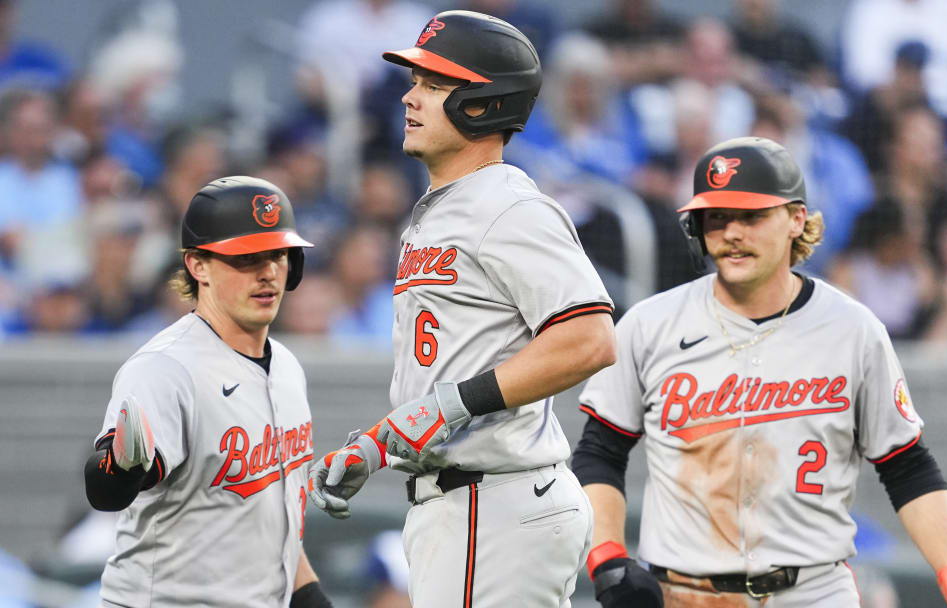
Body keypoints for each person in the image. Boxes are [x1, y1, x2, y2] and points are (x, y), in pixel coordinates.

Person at [570, 137, 947, 607]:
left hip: (813, 591)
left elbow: (907, 467)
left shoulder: (853, 330)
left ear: (796, 219)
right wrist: (607, 559)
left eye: (751, 216)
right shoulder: (651, 326)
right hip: (684, 593)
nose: (732, 232)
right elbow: (599, 452)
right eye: (717, 218)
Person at [307, 10, 616, 608]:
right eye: (415, 81)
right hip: (467, 505)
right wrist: (374, 446)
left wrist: (454, 404)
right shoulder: (445, 208)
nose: (410, 97)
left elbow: (590, 339)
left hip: (493, 503)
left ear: (482, 102)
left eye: (433, 84)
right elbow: (448, 374)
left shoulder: (508, 206)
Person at [81, 176, 333, 608]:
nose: (268, 271)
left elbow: (275, 523)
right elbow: (108, 492)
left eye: (278, 255)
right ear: (198, 266)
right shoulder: (166, 368)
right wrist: (120, 468)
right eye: (247, 258)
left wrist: (313, 600)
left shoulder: (288, 366)